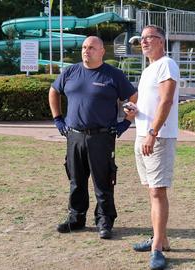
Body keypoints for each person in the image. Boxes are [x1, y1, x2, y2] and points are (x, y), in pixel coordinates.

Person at [48, 36, 137, 239]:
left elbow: (132, 97)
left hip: (102, 137)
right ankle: (76, 218)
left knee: (103, 181)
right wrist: (58, 120)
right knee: (76, 180)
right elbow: (53, 91)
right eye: (84, 47)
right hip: (75, 136)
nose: (86, 51)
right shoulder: (70, 72)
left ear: (102, 51)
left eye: (91, 48)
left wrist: (125, 123)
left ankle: (104, 221)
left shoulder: (113, 75)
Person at [130, 25, 179, 270]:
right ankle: (162, 239)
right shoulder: (148, 69)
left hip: (157, 138)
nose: (144, 42)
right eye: (142, 38)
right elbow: (151, 103)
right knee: (151, 191)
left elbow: (167, 100)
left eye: (150, 38)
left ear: (161, 41)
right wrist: (135, 112)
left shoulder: (166, 64)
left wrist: (152, 132)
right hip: (143, 136)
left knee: (158, 192)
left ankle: (157, 249)